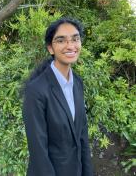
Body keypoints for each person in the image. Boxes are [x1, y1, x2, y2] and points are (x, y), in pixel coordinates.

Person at [22, 18, 93, 176]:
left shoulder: (77, 83)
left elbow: (82, 134)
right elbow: (38, 151)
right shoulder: (36, 90)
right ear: (50, 48)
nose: (70, 45)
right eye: (61, 40)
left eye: (75, 39)